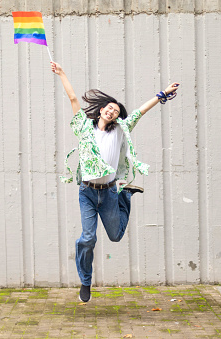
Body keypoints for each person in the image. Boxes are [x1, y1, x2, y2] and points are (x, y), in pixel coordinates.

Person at [51, 61, 179, 302]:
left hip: (109, 193)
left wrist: (162, 94)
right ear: (101, 110)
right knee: (88, 238)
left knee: (116, 236)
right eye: (109, 108)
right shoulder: (84, 128)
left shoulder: (121, 129)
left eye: (117, 111)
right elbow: (72, 99)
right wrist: (62, 73)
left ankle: (125, 195)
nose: (112, 112)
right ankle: (85, 282)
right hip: (88, 193)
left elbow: (140, 111)